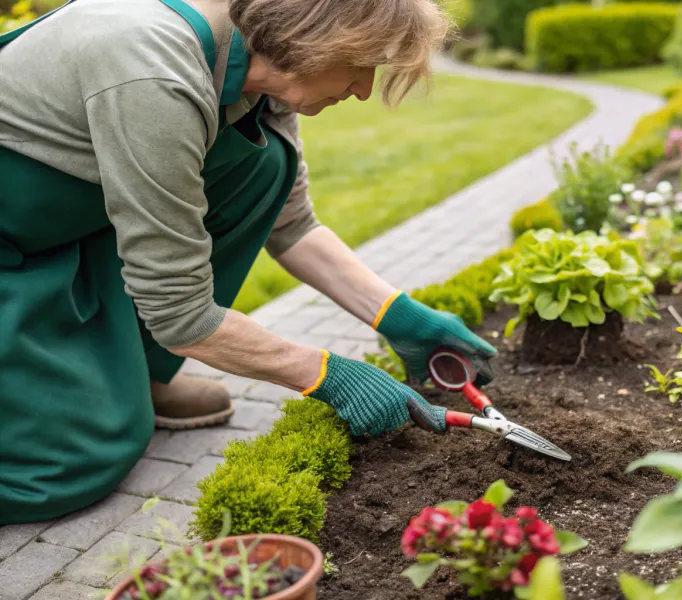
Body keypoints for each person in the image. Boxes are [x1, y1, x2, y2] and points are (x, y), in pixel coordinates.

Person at [0, 0, 496, 524]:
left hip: (63, 223)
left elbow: (292, 223)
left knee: (265, 163)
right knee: (68, 463)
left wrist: (401, 317)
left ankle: (136, 377)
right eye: (362, 64)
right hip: (13, 242)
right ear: (315, 36)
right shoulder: (154, 70)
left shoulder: (257, 67)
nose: (364, 89)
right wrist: (327, 374)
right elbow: (182, 315)